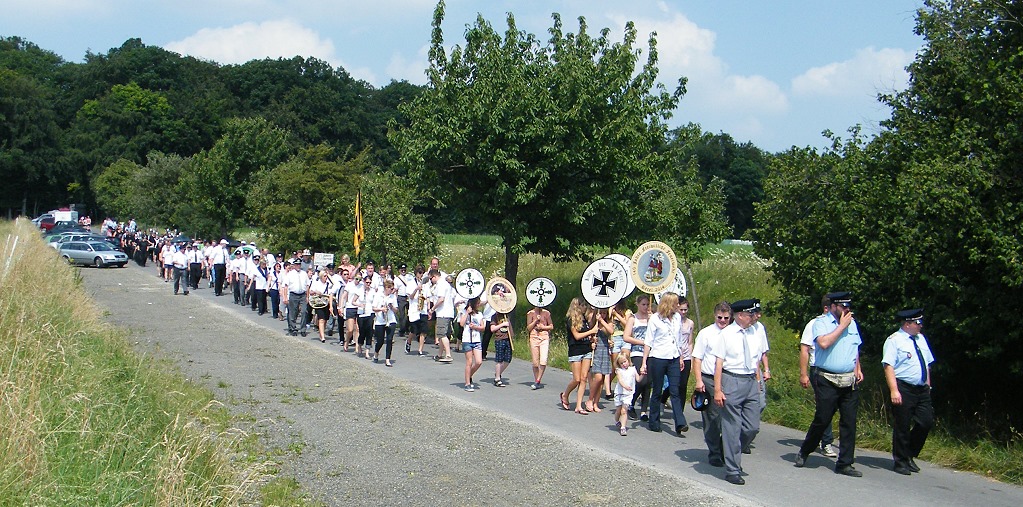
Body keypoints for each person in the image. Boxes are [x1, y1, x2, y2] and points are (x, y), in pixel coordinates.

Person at [793, 291, 864, 477]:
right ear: (833, 306)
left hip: (849, 379)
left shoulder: (852, 323)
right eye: (842, 306)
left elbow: (854, 347)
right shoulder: (821, 323)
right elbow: (823, 343)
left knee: (849, 422)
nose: (846, 310)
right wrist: (841, 326)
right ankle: (805, 450)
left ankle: (845, 463)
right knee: (823, 419)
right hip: (826, 378)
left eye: (848, 307)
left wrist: (858, 368)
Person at [710, 299, 765, 486]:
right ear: (740, 315)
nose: (753, 318)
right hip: (731, 378)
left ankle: (729, 447)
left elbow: (756, 359)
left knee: (752, 426)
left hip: (750, 380)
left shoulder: (754, 332)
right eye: (750, 315)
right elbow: (719, 363)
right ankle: (733, 469)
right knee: (732, 426)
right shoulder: (726, 335)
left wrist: (757, 382)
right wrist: (717, 389)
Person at [882, 308, 935, 475]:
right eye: (918, 323)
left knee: (926, 422)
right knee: (902, 425)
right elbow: (888, 366)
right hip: (903, 387)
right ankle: (900, 461)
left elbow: (926, 363)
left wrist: (928, 385)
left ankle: (909, 453)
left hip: (921, 389)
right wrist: (894, 390)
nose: (921, 326)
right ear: (907, 324)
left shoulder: (920, 339)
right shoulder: (894, 340)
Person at [640, 292, 687, 435]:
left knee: (675, 389)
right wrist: (644, 362)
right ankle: (654, 421)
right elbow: (649, 341)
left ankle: (680, 422)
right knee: (658, 390)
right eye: (675, 303)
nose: (678, 306)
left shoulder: (677, 317)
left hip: (673, 356)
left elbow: (678, 338)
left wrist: (680, 357)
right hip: (658, 357)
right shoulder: (655, 318)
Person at [692, 301, 733, 467]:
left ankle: (726, 448)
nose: (722, 321)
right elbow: (697, 358)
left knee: (731, 417)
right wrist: (699, 380)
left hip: (729, 378)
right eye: (719, 317)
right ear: (714, 316)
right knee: (712, 418)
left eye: (726, 318)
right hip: (708, 379)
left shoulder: (734, 333)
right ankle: (715, 452)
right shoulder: (706, 333)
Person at [799, 295, 839, 458]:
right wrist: (803, 374)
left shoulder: (841, 325)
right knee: (825, 406)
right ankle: (827, 442)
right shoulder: (814, 324)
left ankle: (822, 438)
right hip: (818, 369)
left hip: (838, 371)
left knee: (831, 407)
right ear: (826, 308)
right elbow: (804, 349)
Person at [561, 298, 597, 415]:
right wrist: (591, 332)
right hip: (576, 350)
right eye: (583, 306)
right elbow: (576, 336)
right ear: (578, 306)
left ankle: (578, 406)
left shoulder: (584, 319)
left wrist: (596, 312)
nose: (585, 308)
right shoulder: (570, 320)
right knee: (576, 379)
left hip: (586, 349)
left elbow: (591, 326)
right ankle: (565, 394)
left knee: (583, 378)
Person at [623, 295, 652, 421]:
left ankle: (644, 410)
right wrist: (641, 342)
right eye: (643, 304)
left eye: (647, 305)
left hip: (652, 353)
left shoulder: (652, 318)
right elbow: (626, 336)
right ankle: (631, 402)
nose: (645, 307)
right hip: (637, 352)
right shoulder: (633, 318)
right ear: (638, 304)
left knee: (649, 382)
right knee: (641, 379)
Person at [587, 308, 614, 413]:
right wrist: (592, 341)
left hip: (605, 351)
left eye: (604, 313)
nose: (602, 315)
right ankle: (590, 399)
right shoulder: (594, 323)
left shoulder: (608, 323)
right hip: (596, 351)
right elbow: (589, 335)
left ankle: (596, 402)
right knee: (597, 377)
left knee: (602, 379)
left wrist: (602, 321)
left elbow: (610, 331)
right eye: (601, 313)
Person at [459, 297, 486, 391]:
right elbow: (462, 324)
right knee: (469, 362)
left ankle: (469, 375)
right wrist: (467, 312)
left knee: (479, 361)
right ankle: (467, 383)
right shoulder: (464, 312)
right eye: (478, 303)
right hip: (467, 339)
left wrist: (476, 327)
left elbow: (483, 327)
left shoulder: (479, 314)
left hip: (477, 339)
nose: (479, 304)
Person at [429, 268, 455, 363]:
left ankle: (448, 354)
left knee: (442, 334)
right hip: (448, 312)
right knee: (441, 335)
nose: (431, 281)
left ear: (435, 276)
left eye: (431, 278)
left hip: (443, 312)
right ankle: (440, 354)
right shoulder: (446, 284)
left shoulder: (440, 285)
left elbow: (441, 299)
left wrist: (432, 309)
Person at [613, 354, 642, 436]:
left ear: (628, 360)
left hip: (628, 394)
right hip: (619, 393)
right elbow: (621, 380)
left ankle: (623, 427)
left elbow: (638, 379)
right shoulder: (619, 370)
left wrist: (643, 374)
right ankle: (616, 421)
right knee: (618, 410)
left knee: (624, 410)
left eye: (625, 361)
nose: (624, 364)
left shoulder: (633, 369)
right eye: (621, 363)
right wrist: (625, 386)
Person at [526, 304, 553, 389]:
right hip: (534, 337)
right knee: (535, 363)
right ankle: (536, 379)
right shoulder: (530, 313)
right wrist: (535, 321)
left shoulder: (546, 313)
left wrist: (543, 327)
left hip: (544, 337)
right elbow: (529, 328)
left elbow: (551, 326)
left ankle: (538, 380)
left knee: (543, 360)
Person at [372, 279, 398, 366]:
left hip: (391, 320)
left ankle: (387, 359)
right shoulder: (378, 295)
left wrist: (391, 306)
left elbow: (396, 310)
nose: (392, 290)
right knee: (380, 341)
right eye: (391, 289)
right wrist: (381, 309)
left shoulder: (392, 297)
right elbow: (374, 308)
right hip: (380, 320)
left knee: (390, 340)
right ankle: (376, 353)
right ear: (386, 288)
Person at [282, 261, 310, 337]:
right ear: (294, 265)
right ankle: (293, 328)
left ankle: (303, 329)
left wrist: (307, 296)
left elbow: (307, 285)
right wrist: (285, 297)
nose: (298, 266)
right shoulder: (290, 274)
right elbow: (285, 286)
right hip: (293, 295)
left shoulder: (304, 273)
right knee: (293, 312)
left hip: (302, 295)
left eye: (299, 264)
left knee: (304, 311)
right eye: (296, 264)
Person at [491, 312, 513, 387]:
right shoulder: (494, 316)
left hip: (508, 339)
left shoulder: (507, 315)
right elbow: (492, 329)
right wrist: (502, 324)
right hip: (500, 339)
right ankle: (497, 378)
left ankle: (498, 372)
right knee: (499, 359)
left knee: (508, 359)